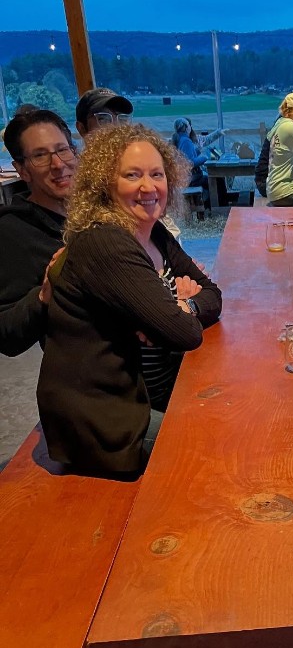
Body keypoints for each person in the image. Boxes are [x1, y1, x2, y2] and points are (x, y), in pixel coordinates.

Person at [37, 125, 222, 476]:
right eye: (132, 175)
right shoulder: (107, 243)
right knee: (213, 450)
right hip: (109, 418)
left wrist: (186, 307)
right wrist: (174, 313)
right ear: (106, 185)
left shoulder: (154, 233)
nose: (149, 187)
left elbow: (212, 295)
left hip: (153, 394)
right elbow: (184, 334)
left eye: (157, 174)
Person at [0, 108, 77, 356]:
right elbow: (6, 336)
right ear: (22, 170)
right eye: (40, 155)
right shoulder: (13, 232)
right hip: (84, 380)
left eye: (62, 149)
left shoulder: (100, 212)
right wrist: (43, 296)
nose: (57, 164)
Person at [171, 117, 211, 202]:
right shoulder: (186, 141)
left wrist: (197, 150)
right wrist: (205, 157)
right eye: (189, 125)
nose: (190, 127)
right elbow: (190, 163)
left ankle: (209, 205)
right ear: (186, 127)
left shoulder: (180, 139)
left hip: (185, 178)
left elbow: (187, 157)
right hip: (191, 179)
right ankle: (217, 205)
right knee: (213, 180)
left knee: (209, 179)